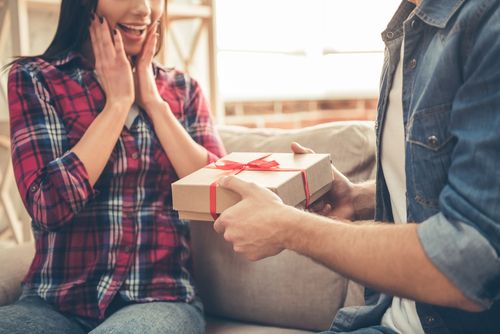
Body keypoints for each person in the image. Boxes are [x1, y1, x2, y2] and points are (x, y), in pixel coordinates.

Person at [212, 0, 500, 333]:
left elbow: (468, 262)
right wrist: (358, 197)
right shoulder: (408, 26)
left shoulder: (487, 26)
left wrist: (287, 227)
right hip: (387, 319)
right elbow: (457, 189)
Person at [0, 0, 225, 333]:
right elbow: (48, 206)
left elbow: (221, 197)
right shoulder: (35, 79)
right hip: (55, 303)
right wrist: (117, 105)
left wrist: (154, 104)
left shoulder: (183, 90)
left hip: (160, 300)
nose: (144, 10)